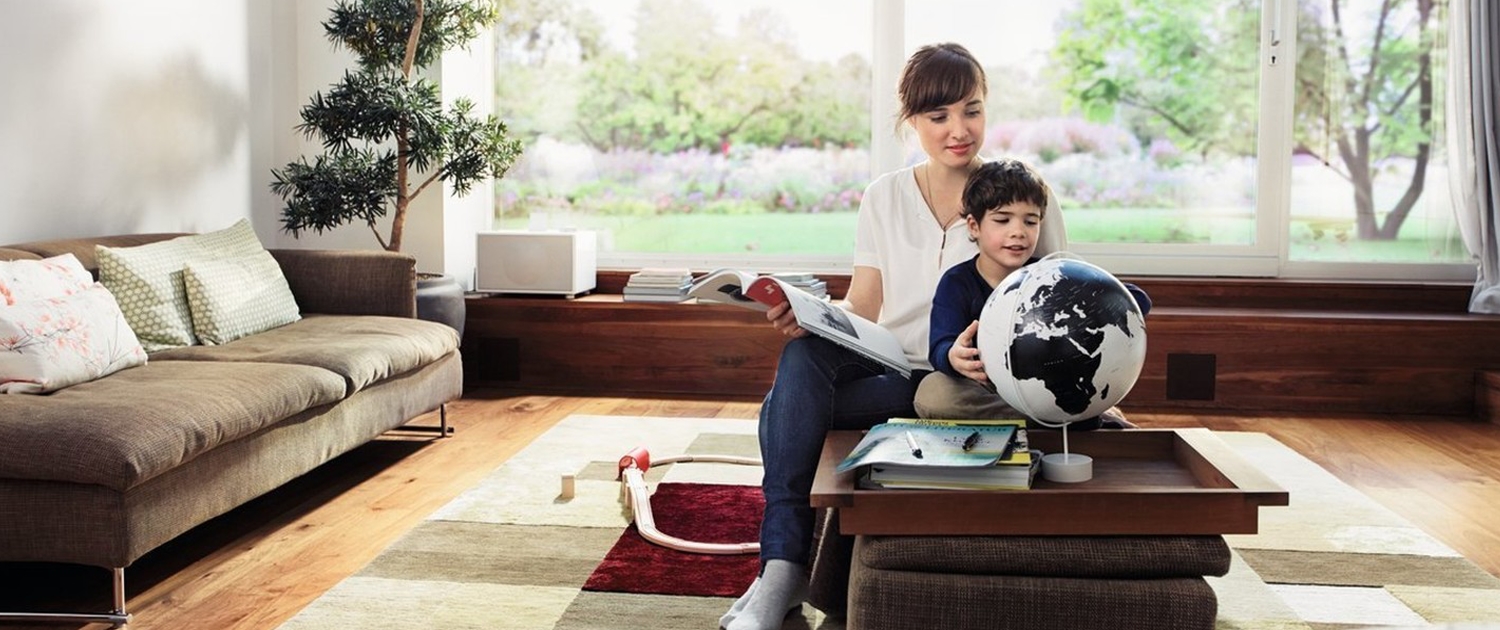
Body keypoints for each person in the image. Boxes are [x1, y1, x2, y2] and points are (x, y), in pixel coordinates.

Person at [719, 43, 1067, 630]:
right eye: (939, 116)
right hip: (890, 367)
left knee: (783, 411)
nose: (959, 130)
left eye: (972, 111)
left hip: (956, 382)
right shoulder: (883, 195)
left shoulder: (1021, 196)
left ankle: (781, 568)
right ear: (911, 120)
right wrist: (810, 316)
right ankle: (782, 568)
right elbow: (864, 305)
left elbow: (1055, 297)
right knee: (802, 356)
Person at [914, 158, 1151, 427]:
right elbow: (940, 345)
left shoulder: (1052, 276)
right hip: (987, 388)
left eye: (1030, 221)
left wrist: (1091, 305)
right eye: (1002, 220)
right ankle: (1071, 421)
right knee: (933, 394)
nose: (1018, 232)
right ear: (974, 226)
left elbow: (1138, 299)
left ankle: (1064, 416)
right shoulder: (957, 282)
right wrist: (953, 356)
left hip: (1050, 387)